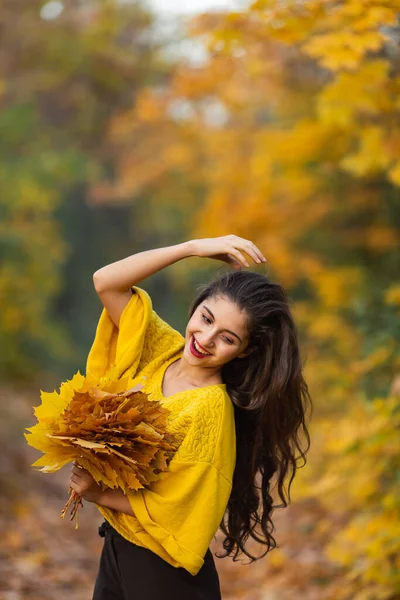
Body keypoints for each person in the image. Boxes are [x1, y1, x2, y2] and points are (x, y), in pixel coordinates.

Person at [69, 234, 312, 600]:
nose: (206, 338)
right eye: (206, 317)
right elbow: (106, 281)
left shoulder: (210, 411)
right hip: (119, 549)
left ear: (245, 351)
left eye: (227, 338)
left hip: (163, 572)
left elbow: (182, 511)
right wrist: (190, 249)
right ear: (196, 307)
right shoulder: (161, 350)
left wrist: (98, 493)